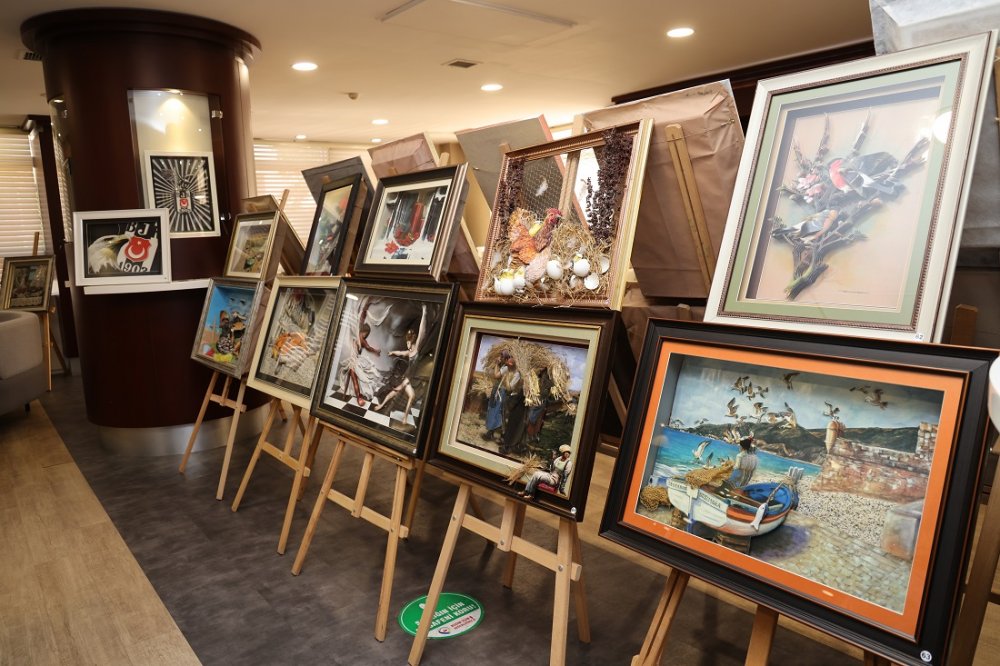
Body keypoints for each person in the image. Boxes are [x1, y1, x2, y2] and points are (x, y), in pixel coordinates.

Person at [375, 304, 427, 425]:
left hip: (410, 379)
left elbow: (422, 332)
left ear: (412, 341)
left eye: (408, 343)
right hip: (406, 378)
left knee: (409, 396)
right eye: (407, 343)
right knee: (397, 393)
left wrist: (424, 313)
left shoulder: (416, 350)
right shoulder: (409, 352)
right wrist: (392, 352)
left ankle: (404, 417)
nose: (407, 345)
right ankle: (383, 405)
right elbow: (400, 352)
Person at [338, 301, 381, 407]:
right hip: (352, 360)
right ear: (365, 332)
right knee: (354, 378)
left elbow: (361, 320)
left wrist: (365, 308)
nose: (366, 335)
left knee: (355, 378)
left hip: (353, 360)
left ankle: (358, 397)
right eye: (366, 333)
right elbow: (368, 347)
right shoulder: (359, 336)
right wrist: (376, 351)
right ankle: (358, 398)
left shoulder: (359, 336)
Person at [484, 351, 520, 442]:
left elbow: (509, 388)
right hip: (498, 391)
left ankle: (502, 435)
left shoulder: (517, 374)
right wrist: (497, 364)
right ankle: (490, 432)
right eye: (508, 364)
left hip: (506, 395)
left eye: (510, 365)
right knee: (493, 410)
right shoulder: (506, 368)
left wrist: (506, 379)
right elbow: (496, 375)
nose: (508, 366)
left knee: (501, 413)